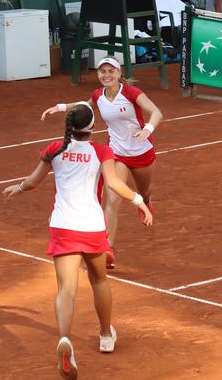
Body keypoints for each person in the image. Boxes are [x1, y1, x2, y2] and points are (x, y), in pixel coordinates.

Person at [3, 103, 152, 380]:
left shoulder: (54, 149)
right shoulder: (101, 151)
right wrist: (140, 201)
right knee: (99, 281)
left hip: (63, 227)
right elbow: (113, 184)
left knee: (65, 290)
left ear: (69, 126)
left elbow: (34, 182)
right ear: (92, 128)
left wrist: (19, 187)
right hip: (92, 227)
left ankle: (64, 339)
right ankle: (106, 335)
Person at [41, 56, 163, 270]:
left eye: (110, 71)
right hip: (116, 152)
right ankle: (108, 249)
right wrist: (59, 107)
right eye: (102, 72)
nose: (106, 75)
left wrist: (148, 129)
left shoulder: (131, 93)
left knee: (144, 192)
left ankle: (145, 201)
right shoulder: (98, 95)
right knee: (112, 199)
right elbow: (82, 107)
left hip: (142, 151)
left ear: (119, 73)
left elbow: (156, 112)